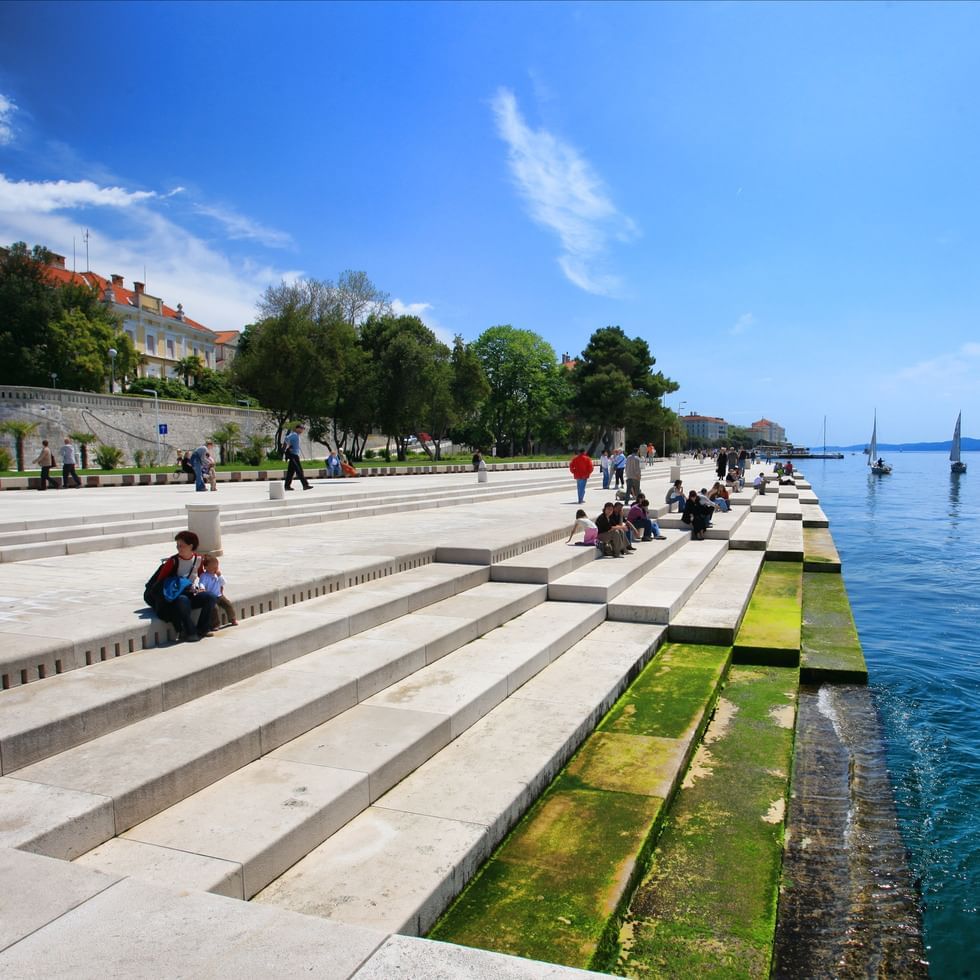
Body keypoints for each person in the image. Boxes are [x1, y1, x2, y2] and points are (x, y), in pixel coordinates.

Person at [144, 530, 217, 642]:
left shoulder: (199, 559)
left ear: (190, 546)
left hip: (192, 592)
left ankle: (203, 628)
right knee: (183, 600)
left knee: (210, 597)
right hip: (175, 596)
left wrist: (201, 587)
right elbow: (160, 582)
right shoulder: (172, 561)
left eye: (181, 545)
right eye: (177, 545)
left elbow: (201, 575)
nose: (178, 548)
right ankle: (190, 632)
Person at [199, 553, 238, 629]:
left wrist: (220, 576)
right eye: (213, 567)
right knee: (214, 609)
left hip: (219, 595)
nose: (215, 568)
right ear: (206, 567)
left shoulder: (217, 575)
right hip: (211, 597)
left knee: (228, 604)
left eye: (216, 566)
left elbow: (223, 583)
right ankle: (215, 624)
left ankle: (232, 618)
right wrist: (202, 588)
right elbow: (201, 583)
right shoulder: (204, 576)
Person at [283, 423, 312, 491]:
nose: (302, 430)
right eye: (301, 429)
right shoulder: (294, 434)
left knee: (291, 471)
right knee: (299, 470)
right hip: (292, 455)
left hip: (295, 455)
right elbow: (286, 438)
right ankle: (305, 485)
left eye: (303, 429)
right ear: (297, 428)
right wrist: (284, 449)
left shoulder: (297, 435)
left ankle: (287, 486)